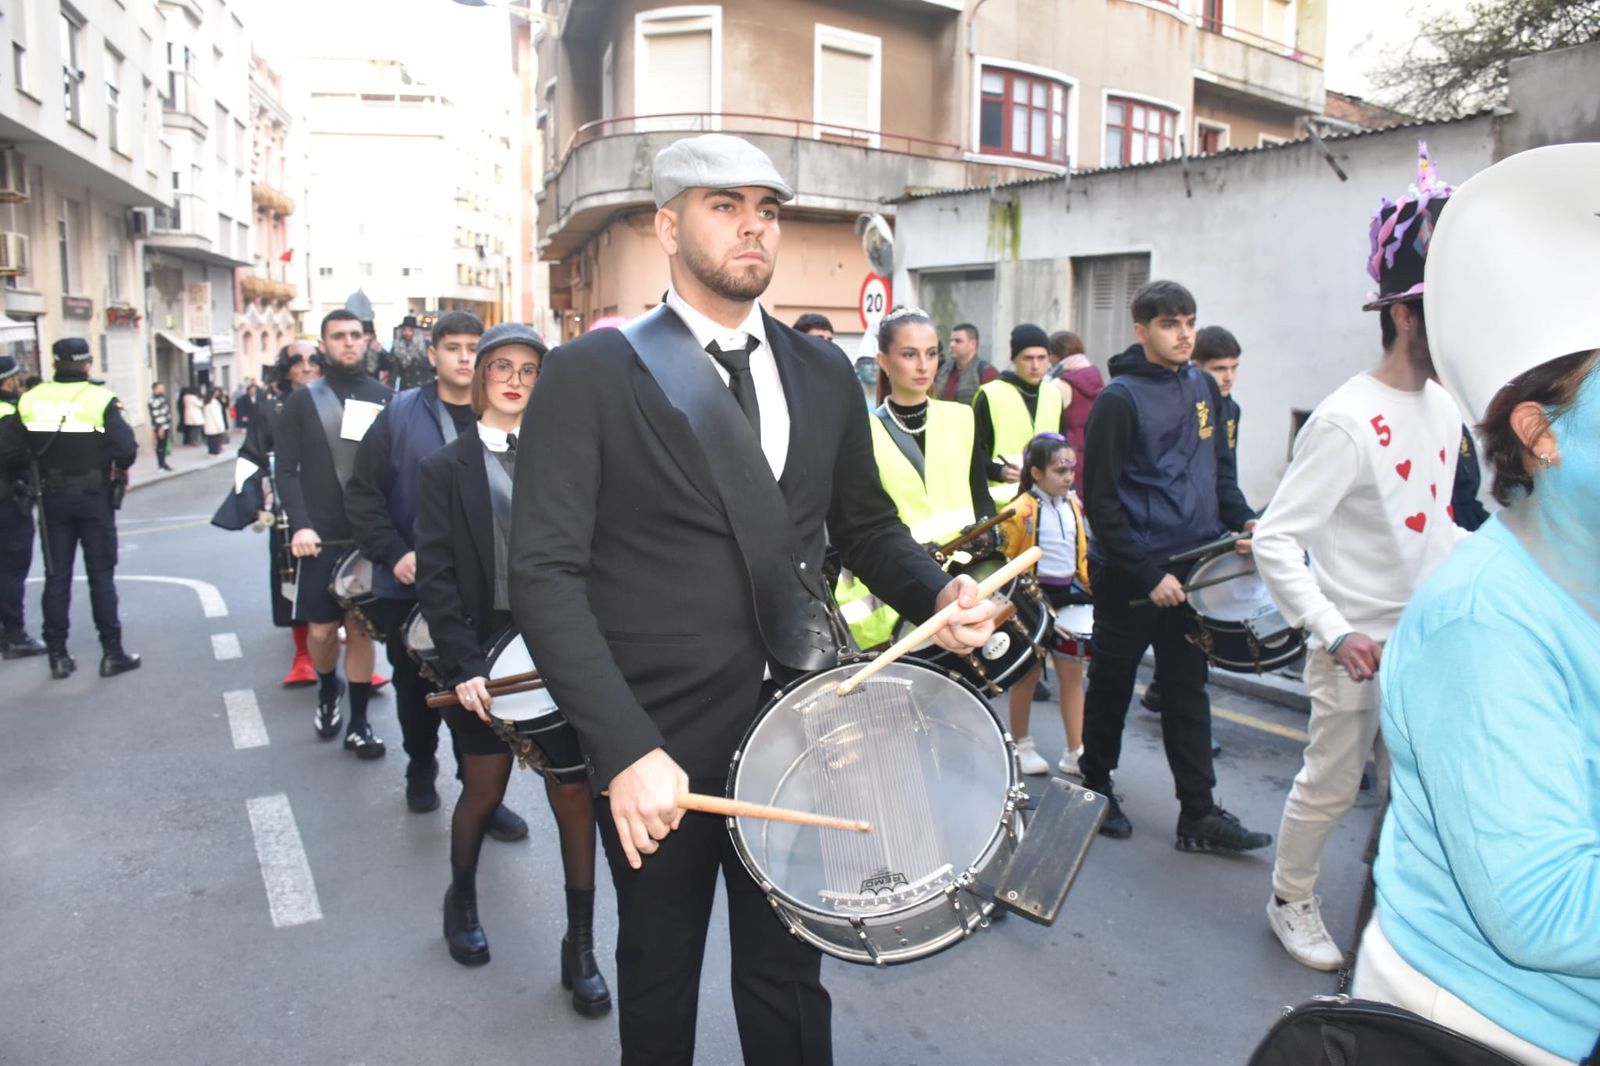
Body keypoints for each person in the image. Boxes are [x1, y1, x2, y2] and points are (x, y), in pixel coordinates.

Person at [508, 133, 999, 1066]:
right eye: (723, 206)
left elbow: (865, 527)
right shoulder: (590, 375)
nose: (753, 229)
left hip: (802, 725)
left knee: (788, 976)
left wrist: (942, 589)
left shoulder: (822, 374)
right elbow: (544, 576)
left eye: (767, 211)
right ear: (666, 226)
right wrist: (623, 750)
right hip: (659, 744)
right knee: (659, 973)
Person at [1352, 143, 1600, 1066]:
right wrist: (1340, 625)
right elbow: (1540, 907)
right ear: (1541, 435)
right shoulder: (1484, 625)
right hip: (1479, 1033)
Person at [1252, 155, 1464, 971]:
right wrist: (1336, 632)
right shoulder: (1346, 420)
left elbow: (1434, 520)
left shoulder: (1445, 403)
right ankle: (1289, 898)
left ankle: (1402, 917)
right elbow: (1276, 538)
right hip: (1353, 646)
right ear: (1406, 317)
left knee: (1419, 790)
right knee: (1333, 786)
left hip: (1426, 638)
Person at [415, 323, 610, 1014]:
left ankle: (580, 946)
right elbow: (435, 580)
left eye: (530, 368)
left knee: (574, 792)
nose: (515, 379)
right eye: (501, 365)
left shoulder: (572, 461)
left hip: (560, 645)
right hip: (482, 651)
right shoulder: (444, 469)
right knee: (481, 787)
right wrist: (463, 666)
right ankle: (461, 896)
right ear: (478, 378)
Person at [1075, 280, 1268, 850]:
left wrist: (1246, 522)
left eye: (1188, 322)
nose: (1183, 333)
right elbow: (1102, 502)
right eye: (1169, 324)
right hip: (1132, 576)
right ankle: (1096, 787)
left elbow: (1220, 475)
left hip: (1194, 571)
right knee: (1111, 683)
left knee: (1188, 690)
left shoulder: (1205, 387)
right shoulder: (1119, 399)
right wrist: (1146, 573)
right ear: (1141, 331)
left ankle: (1199, 815)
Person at [345, 311, 528, 839]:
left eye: (477, 348)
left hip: (488, 593)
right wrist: (394, 553)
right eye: (454, 347)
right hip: (409, 584)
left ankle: (482, 794)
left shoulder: (509, 414)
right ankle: (420, 763)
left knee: (487, 699)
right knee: (414, 689)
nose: (465, 357)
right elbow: (363, 495)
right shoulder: (398, 414)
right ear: (432, 354)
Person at [833, 307, 995, 650]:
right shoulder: (862, 432)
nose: (924, 366)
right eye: (909, 355)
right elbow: (860, 523)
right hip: (895, 595)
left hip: (963, 582)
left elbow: (981, 495)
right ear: (884, 361)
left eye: (932, 354)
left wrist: (986, 530)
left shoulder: (962, 417)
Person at [275, 309, 394, 753]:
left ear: (366, 341)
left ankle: (359, 722)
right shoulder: (302, 402)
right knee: (322, 633)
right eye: (338, 336)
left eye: (355, 335)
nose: (348, 343)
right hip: (319, 539)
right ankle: (329, 688)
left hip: (369, 538)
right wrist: (300, 524)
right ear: (323, 344)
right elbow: (285, 471)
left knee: (360, 630)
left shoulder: (386, 398)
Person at [0, 338, 140, 679]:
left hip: (51, 497)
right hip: (93, 498)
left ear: (55, 363)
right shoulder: (101, 398)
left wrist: (40, 465)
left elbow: (9, 450)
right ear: (88, 364)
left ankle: (59, 657)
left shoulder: (32, 399)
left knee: (56, 577)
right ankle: (111, 653)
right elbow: (126, 450)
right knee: (100, 576)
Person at [1141, 324, 1243, 722]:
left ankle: (1167, 692)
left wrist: (1240, 519)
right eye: (1219, 368)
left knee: (1192, 638)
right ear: (1197, 369)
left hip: (1208, 527)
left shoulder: (1230, 408)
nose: (1229, 377)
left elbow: (1223, 470)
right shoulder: (1180, 403)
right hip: (1168, 539)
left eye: (1234, 368)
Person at [998, 432, 1091, 775]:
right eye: (1059, 471)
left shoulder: (1075, 505)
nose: (1068, 477)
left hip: (1069, 595)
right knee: (1028, 676)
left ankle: (1075, 749)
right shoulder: (1020, 510)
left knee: (1072, 676)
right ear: (1036, 473)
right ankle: (1021, 744)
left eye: (1071, 470)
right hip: (1031, 600)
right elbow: (1007, 557)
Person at [973, 324, 1064, 506]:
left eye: (1042, 358)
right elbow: (971, 454)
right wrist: (999, 471)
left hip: (1046, 502)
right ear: (1014, 359)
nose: (1036, 365)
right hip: (1004, 506)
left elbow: (1062, 448)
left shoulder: (1053, 394)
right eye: (1028, 358)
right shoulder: (990, 395)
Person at [0, 356, 47, 658]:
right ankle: (14, 635)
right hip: (7, 501)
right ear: (8, 381)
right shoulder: (9, 412)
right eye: (17, 377)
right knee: (12, 570)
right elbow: (16, 456)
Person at [1047, 330, 1103, 497]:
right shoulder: (1096, 377)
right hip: (1094, 454)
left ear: (1056, 355)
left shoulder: (1059, 384)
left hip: (1067, 458)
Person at [933, 322, 996, 404]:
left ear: (972, 344)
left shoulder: (987, 373)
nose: (952, 345)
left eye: (958, 341)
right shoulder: (943, 371)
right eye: (951, 340)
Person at [390, 314, 433, 392]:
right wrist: (390, 389)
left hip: (424, 387)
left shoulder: (426, 346)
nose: (407, 333)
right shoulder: (397, 348)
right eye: (404, 330)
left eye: (410, 330)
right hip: (406, 388)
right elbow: (394, 371)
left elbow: (432, 367)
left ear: (416, 332)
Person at [147, 382, 174, 471]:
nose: (162, 389)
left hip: (165, 425)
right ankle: (161, 465)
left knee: (163, 445)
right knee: (160, 446)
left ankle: (163, 463)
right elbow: (156, 415)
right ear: (155, 389)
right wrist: (160, 427)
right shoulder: (153, 400)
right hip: (160, 427)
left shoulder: (161, 398)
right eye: (160, 388)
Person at [202, 387, 227, 455]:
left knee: (211, 439)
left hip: (209, 423)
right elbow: (216, 415)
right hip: (214, 424)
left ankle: (211, 451)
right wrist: (219, 426)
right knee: (215, 439)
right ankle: (215, 452)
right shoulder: (213, 403)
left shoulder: (207, 401)